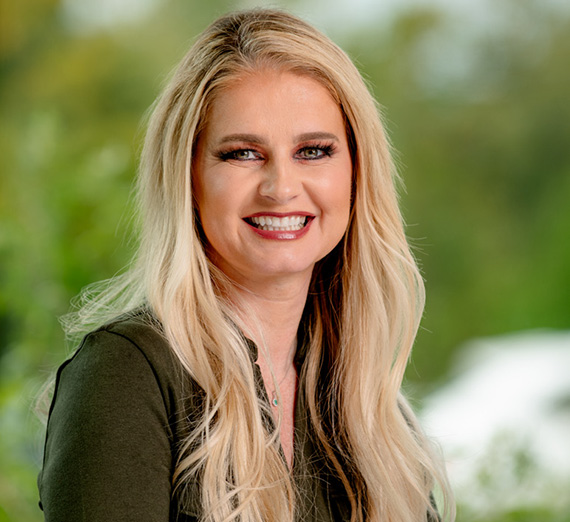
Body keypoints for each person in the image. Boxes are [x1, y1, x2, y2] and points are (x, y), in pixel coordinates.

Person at [38, 8, 454, 522]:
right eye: (242, 154)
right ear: (187, 177)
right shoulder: (127, 376)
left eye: (314, 151)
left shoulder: (371, 414)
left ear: (356, 172)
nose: (281, 187)